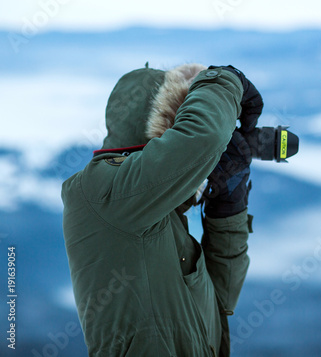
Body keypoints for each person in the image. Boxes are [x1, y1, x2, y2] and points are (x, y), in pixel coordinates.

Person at [61, 63, 263, 356]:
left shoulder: (158, 212)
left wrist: (229, 206)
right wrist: (223, 78)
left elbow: (216, 308)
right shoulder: (103, 193)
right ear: (164, 127)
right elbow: (204, 137)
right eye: (181, 122)